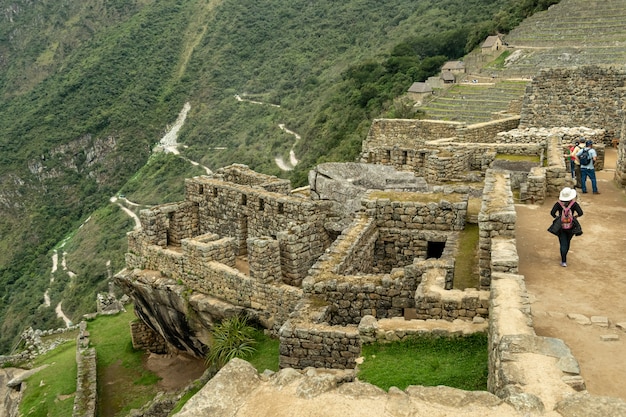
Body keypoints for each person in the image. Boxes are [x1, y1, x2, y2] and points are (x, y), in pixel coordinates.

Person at [550, 187, 583, 267]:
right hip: (571, 226)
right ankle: (565, 254)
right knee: (568, 241)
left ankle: (563, 260)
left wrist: (558, 218)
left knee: (562, 242)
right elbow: (580, 212)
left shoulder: (558, 204)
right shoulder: (574, 204)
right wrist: (575, 217)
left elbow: (552, 213)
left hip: (561, 226)